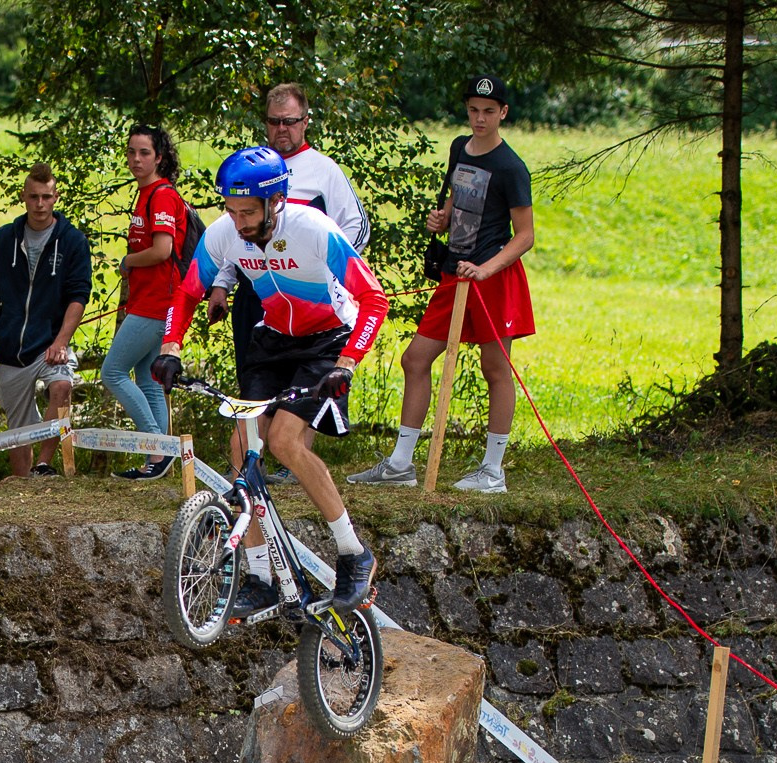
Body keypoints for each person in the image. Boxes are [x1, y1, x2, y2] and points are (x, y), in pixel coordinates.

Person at [152, 146, 388, 614]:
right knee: (243, 451)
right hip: (273, 339)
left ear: (275, 201)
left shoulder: (314, 231)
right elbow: (187, 291)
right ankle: (259, 575)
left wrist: (348, 363)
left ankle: (354, 552)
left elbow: (373, 299)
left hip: (326, 342)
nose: (237, 222)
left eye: (247, 212)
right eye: (231, 209)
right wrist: (169, 347)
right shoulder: (226, 233)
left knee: (283, 441)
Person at [349, 75, 535, 494]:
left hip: (492, 277)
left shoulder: (511, 167)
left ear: (503, 113)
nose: (480, 118)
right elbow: (455, 197)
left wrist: (488, 268)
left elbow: (525, 235)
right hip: (454, 273)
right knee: (415, 359)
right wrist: (443, 218)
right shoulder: (458, 147)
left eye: (489, 111)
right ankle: (400, 463)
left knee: (495, 368)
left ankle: (492, 470)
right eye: (473, 110)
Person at [222, 84, 371, 401]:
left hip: (309, 293)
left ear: (305, 121)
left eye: (289, 121)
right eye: (274, 121)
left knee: (303, 397)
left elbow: (357, 226)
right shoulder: (250, 166)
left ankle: (291, 446)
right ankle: (256, 450)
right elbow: (230, 229)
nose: (281, 129)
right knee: (254, 392)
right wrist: (222, 284)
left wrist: (333, 270)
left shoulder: (324, 170)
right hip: (257, 292)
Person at [0, 164, 92, 477]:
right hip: (11, 346)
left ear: (56, 197)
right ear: (24, 198)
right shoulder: (5, 237)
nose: (40, 204)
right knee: (17, 430)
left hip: (49, 342)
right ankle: (23, 486)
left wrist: (61, 341)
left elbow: (78, 296)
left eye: (46, 197)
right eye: (34, 197)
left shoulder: (72, 241)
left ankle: (44, 463)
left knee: (61, 386)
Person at [104, 125, 187, 481]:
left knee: (112, 372)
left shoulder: (162, 195)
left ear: (160, 157)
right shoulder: (146, 194)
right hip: (149, 301)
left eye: (144, 153)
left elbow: (162, 250)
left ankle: (156, 446)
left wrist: (128, 261)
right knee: (149, 380)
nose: (136, 160)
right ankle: (158, 461)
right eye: (132, 152)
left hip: (157, 304)